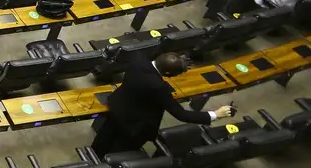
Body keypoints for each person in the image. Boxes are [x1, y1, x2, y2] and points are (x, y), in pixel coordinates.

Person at [91, 52, 233, 158]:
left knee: (104, 137)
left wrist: (178, 61)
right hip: (134, 124)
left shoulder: (138, 60)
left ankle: (93, 156)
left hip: (117, 106)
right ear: (167, 73)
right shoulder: (158, 87)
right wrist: (215, 114)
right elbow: (181, 114)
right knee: (121, 150)